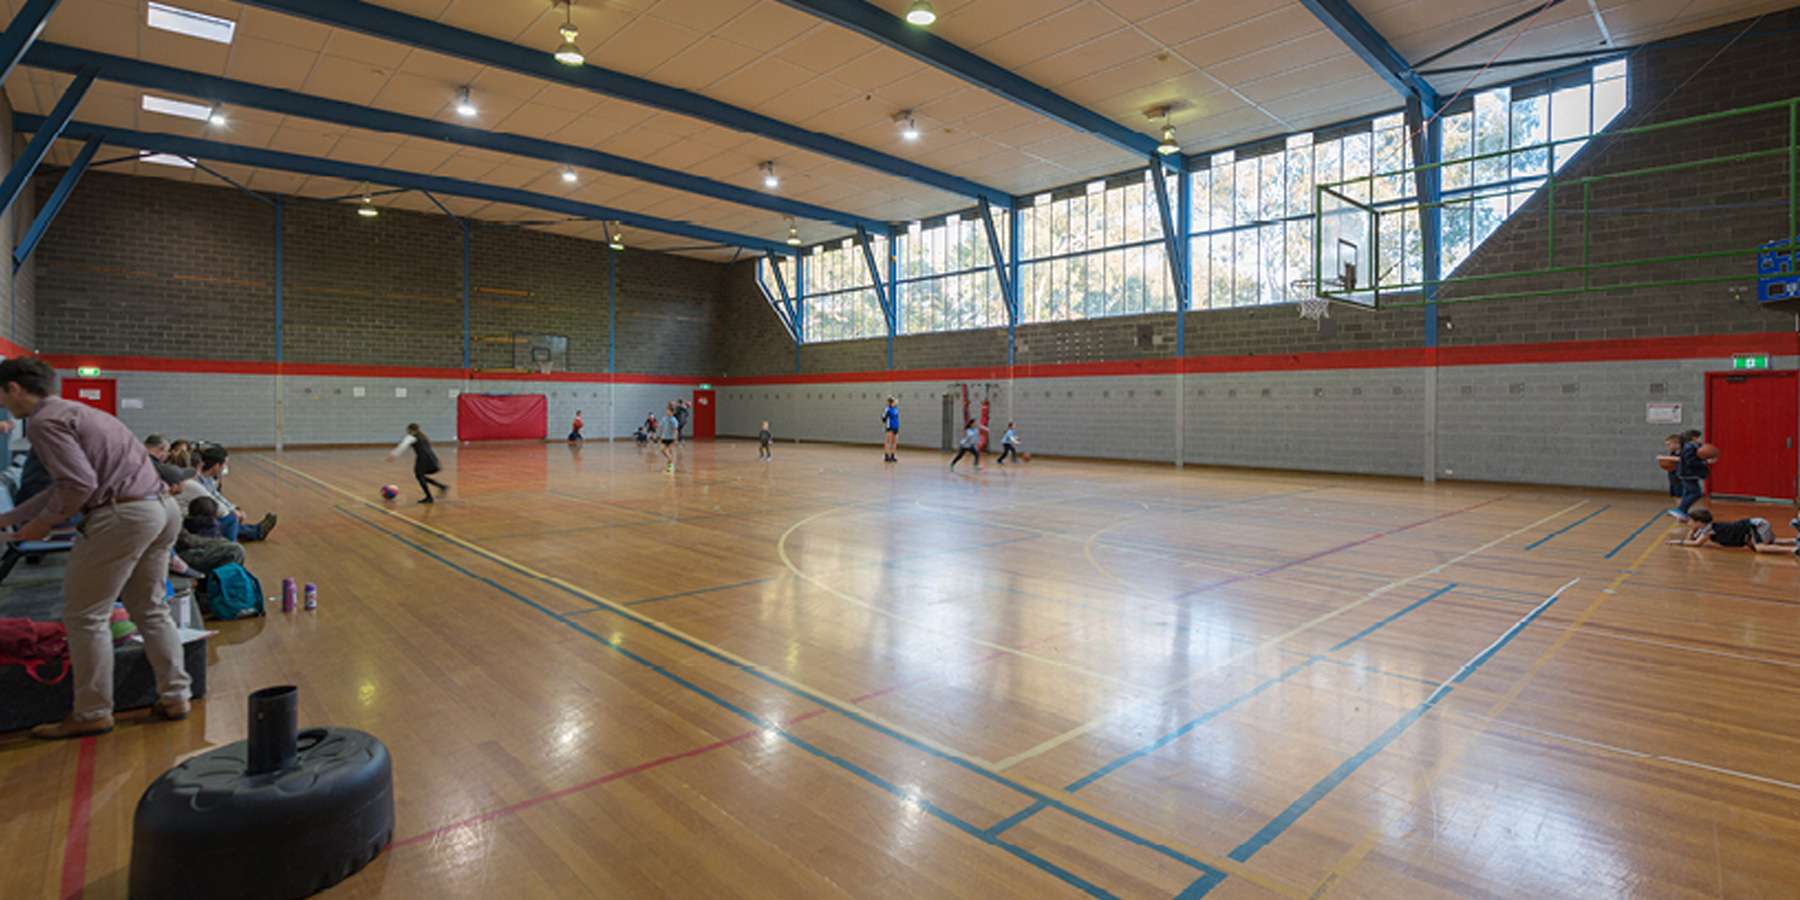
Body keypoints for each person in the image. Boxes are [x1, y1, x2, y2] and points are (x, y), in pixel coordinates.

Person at [0, 358, 189, 739]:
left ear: (14, 388)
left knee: (85, 616)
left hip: (123, 515)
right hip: (160, 510)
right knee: (150, 609)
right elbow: (64, 486)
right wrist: (8, 520)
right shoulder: (82, 412)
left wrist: (42, 524)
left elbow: (79, 484)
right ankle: (176, 695)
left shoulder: (42, 422)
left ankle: (92, 712)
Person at [190, 447, 276, 540]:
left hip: (206, 515)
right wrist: (232, 512)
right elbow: (213, 501)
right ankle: (254, 532)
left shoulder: (209, 479)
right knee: (230, 520)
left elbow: (217, 496)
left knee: (231, 520)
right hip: (198, 519)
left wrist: (233, 507)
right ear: (216, 465)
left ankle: (255, 531)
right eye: (224, 464)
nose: (225, 467)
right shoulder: (198, 483)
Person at [1667, 509, 1798, 554]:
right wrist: (1692, 529)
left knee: (1760, 547)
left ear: (1699, 522)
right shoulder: (1707, 528)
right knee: (1770, 542)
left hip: (1756, 525)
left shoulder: (1709, 530)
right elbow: (1692, 539)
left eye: (1691, 521)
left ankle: (1793, 550)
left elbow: (1696, 543)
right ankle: (1794, 540)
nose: (1688, 523)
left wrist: (1676, 542)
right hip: (1758, 524)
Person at [389, 423, 450, 504]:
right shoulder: (423, 436)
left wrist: (393, 455)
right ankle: (441, 487)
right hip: (432, 458)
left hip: (423, 459)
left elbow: (402, 446)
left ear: (409, 430)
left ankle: (430, 496)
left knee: (419, 476)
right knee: (420, 476)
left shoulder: (411, 437)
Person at [1669, 429, 1709, 523]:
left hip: (1688, 474)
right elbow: (1690, 461)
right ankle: (1680, 510)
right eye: (1699, 437)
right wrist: (1705, 462)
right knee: (1696, 493)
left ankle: (1682, 513)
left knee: (1687, 493)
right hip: (1688, 474)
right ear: (1694, 438)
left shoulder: (1690, 446)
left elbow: (1699, 451)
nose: (1701, 439)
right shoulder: (1689, 447)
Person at [658, 403, 679, 472]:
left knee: (669, 451)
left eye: (668, 411)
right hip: (664, 438)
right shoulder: (664, 419)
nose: (667, 412)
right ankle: (670, 462)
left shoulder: (674, 420)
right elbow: (661, 428)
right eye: (667, 410)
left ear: (672, 412)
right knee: (662, 450)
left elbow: (676, 430)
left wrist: (675, 439)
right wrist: (660, 437)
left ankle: (670, 466)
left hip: (671, 439)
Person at [881, 397, 900, 463]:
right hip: (890, 427)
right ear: (891, 403)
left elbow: (897, 418)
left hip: (896, 427)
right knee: (888, 441)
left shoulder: (896, 410)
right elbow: (883, 418)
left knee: (894, 442)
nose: (896, 403)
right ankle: (887, 456)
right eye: (894, 402)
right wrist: (886, 420)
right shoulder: (887, 409)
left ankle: (892, 456)